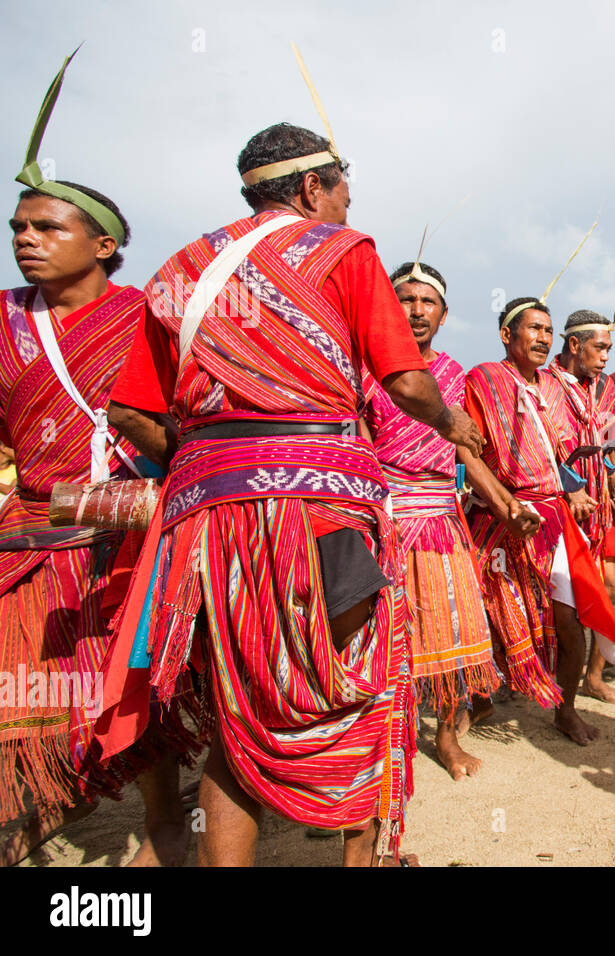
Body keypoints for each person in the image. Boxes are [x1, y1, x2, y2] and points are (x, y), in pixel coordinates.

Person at [103, 122, 483, 866]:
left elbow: (129, 412)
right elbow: (406, 382)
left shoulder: (182, 265)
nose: (347, 206)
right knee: (362, 681)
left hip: (206, 520)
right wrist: (455, 422)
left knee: (246, 707)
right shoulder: (346, 250)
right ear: (313, 187)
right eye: (344, 190)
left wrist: (214, 461)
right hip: (323, 511)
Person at [1, 54, 192, 868]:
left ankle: (161, 826)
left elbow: (185, 421)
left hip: (130, 528)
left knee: (133, 694)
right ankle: (28, 818)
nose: (26, 241)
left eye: (48, 227)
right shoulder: (3, 320)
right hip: (31, 531)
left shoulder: (152, 318)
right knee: (24, 692)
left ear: (105, 244)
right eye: (17, 229)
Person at [361, 259, 500, 780]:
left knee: (451, 627)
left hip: (441, 516)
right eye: (405, 300)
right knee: (387, 633)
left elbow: (464, 448)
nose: (416, 310)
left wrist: (504, 504)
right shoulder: (365, 370)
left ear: (444, 315)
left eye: (428, 302)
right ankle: (384, 738)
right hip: (386, 516)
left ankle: (444, 735)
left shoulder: (451, 374)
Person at [462, 298, 615, 745]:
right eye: (533, 329)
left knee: (570, 619)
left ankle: (565, 710)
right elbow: (468, 451)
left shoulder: (551, 390)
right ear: (506, 335)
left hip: (552, 518)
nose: (542, 338)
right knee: (488, 614)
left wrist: (573, 488)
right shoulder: (484, 380)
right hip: (500, 515)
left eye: (548, 331)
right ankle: (477, 701)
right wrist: (502, 504)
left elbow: (558, 456)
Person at [544, 309, 615, 703]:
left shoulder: (601, 388)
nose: (605, 357)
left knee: (612, 587)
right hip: (560, 508)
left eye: (610, 349)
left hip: (599, 505)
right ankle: (544, 679)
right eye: (599, 348)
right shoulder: (543, 384)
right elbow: (540, 448)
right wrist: (569, 488)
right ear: (575, 345)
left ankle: (593, 677)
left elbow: (609, 446)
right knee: (561, 601)